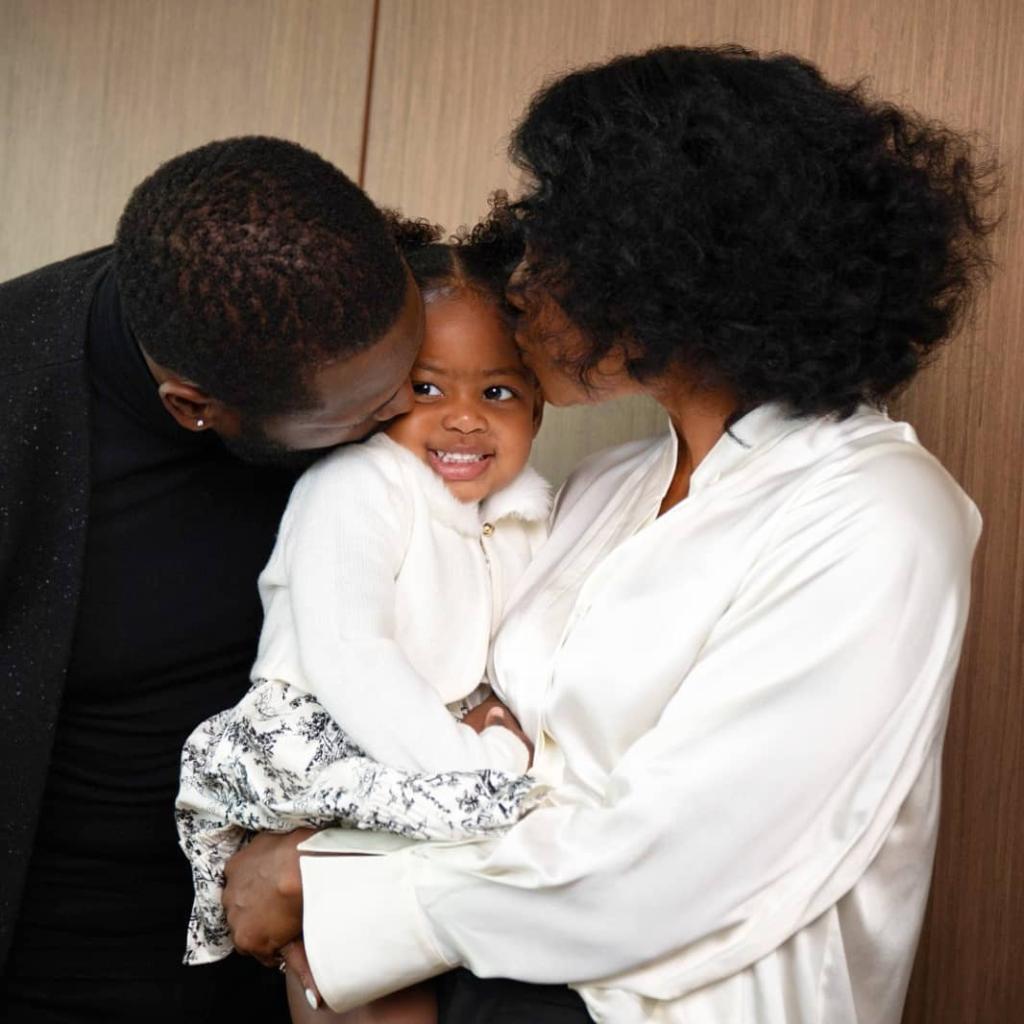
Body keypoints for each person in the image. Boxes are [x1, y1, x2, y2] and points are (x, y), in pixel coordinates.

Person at [222, 46, 996, 1024]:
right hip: (487, 969)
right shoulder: (602, 484)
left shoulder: (876, 515)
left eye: (556, 242)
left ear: (677, 262)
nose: (519, 282)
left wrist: (332, 887)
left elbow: (678, 863)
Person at [0, 135, 427, 1023]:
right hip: (67, 961)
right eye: (368, 412)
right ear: (194, 408)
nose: (407, 414)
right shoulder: (21, 392)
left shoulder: (322, 297)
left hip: (296, 941)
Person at [174, 213, 547, 1024]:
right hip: (327, 738)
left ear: (538, 408)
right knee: (361, 971)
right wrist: (474, 764)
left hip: (419, 748)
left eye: (497, 391)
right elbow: (352, 654)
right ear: (379, 391)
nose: (463, 417)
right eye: (426, 387)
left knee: (402, 964)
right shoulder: (357, 486)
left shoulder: (526, 511)